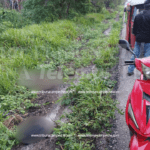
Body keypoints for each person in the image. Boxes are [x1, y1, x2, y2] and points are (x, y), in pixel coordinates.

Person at [127, 0, 150, 76]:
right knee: (147, 57)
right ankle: (146, 74)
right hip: (148, 40)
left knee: (135, 55)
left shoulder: (138, 16)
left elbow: (134, 31)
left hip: (139, 39)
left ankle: (130, 70)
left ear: (144, 6)